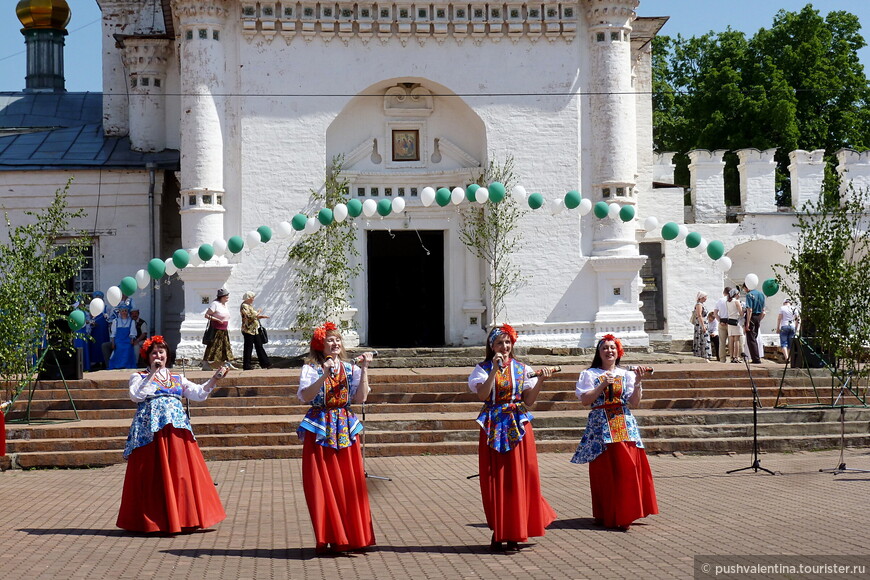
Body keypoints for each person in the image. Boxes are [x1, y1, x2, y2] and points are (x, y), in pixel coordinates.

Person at [116, 336, 228, 533]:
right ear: (147, 356)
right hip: (150, 433)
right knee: (152, 474)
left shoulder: (177, 378)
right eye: (154, 353)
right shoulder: (139, 376)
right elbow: (136, 396)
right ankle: (152, 520)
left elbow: (199, 394)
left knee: (180, 473)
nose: (158, 355)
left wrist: (214, 378)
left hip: (176, 431)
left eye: (161, 352)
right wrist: (152, 374)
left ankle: (184, 517)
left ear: (167, 354)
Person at [467, 323, 556, 552]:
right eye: (500, 343)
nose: (504, 347)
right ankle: (500, 530)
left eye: (508, 342)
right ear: (491, 346)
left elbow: (528, 400)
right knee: (496, 478)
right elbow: (483, 395)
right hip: (494, 426)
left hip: (518, 425)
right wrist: (495, 371)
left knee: (519, 477)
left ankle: (517, 531)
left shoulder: (523, 369)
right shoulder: (483, 369)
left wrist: (542, 381)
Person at [297, 322, 376, 554]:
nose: (335, 343)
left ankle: (354, 536)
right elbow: (305, 396)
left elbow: (361, 398)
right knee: (323, 484)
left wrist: (365, 370)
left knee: (349, 482)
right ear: (320, 345)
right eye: (330, 340)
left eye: (337, 340)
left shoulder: (350, 369)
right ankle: (331, 536)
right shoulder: (311, 368)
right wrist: (323, 376)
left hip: (344, 426)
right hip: (320, 427)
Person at [570, 334, 658, 531]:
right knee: (604, 472)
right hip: (600, 426)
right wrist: (602, 385)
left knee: (626, 468)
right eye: (605, 348)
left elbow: (634, 403)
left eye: (613, 348)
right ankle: (606, 513)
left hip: (623, 424)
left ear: (618, 352)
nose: (609, 351)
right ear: (599, 353)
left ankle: (626, 512)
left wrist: (638, 382)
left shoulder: (626, 374)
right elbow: (586, 401)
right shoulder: (590, 374)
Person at [203, 288, 236, 370]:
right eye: (226, 296)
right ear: (222, 297)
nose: (227, 298)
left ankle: (227, 363)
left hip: (224, 330)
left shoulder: (223, 305)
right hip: (216, 330)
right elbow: (207, 315)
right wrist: (217, 320)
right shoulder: (215, 304)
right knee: (213, 347)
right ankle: (205, 364)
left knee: (226, 347)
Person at [240, 291, 271, 370]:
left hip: (254, 329)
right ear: (248, 298)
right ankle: (247, 365)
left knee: (259, 346)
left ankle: (265, 363)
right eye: (252, 297)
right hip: (248, 329)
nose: (253, 299)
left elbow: (254, 316)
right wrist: (258, 312)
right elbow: (249, 316)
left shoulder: (250, 306)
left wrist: (261, 316)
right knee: (248, 347)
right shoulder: (244, 306)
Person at [744, 283, 766, 364]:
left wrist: (748, 323)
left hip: (752, 317)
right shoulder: (761, 294)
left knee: (751, 339)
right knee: (755, 337)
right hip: (758, 316)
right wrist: (759, 319)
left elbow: (749, 309)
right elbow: (763, 311)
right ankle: (756, 357)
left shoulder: (749, 295)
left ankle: (755, 358)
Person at [89, 291, 111, 370]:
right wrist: (92, 323)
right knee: (95, 345)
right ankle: (96, 362)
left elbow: (109, 319)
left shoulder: (106, 307)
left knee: (104, 344)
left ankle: (105, 361)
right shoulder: (92, 307)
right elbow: (90, 318)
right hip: (95, 330)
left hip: (103, 330)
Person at [777, 298, 800, 364]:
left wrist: (778, 327)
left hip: (784, 325)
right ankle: (789, 357)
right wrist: (797, 328)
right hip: (792, 326)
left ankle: (787, 358)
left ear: (784, 302)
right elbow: (798, 319)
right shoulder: (794, 308)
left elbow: (779, 318)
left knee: (784, 343)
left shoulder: (782, 308)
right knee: (790, 344)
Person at [726, 288, 744, 363]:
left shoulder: (727, 302)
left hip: (730, 321)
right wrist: (744, 309)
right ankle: (736, 357)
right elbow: (741, 313)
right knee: (736, 340)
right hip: (736, 321)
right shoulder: (736, 301)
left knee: (731, 339)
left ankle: (731, 357)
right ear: (736, 294)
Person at [692, 291, 711, 360]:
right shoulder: (699, 305)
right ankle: (701, 354)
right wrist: (703, 326)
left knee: (704, 339)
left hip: (704, 323)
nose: (706, 298)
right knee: (702, 339)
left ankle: (705, 354)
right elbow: (699, 315)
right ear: (702, 297)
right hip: (700, 324)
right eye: (705, 297)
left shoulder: (702, 304)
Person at [714, 287, 731, 362]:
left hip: (722, 322)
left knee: (722, 342)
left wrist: (719, 320)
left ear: (724, 292)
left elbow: (715, 313)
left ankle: (722, 359)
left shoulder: (720, 300)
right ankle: (732, 357)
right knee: (732, 341)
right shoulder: (732, 300)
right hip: (731, 322)